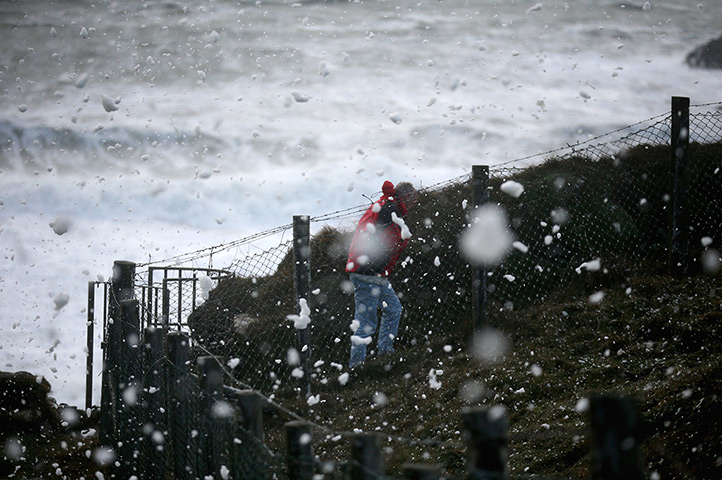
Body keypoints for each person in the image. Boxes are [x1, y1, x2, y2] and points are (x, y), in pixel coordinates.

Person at [346, 180, 418, 369]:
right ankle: (356, 367)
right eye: (414, 198)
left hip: (373, 273)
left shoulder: (388, 207)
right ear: (406, 196)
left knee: (393, 309)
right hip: (367, 272)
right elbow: (388, 243)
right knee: (366, 322)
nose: (415, 203)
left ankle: (385, 354)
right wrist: (403, 242)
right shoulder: (390, 210)